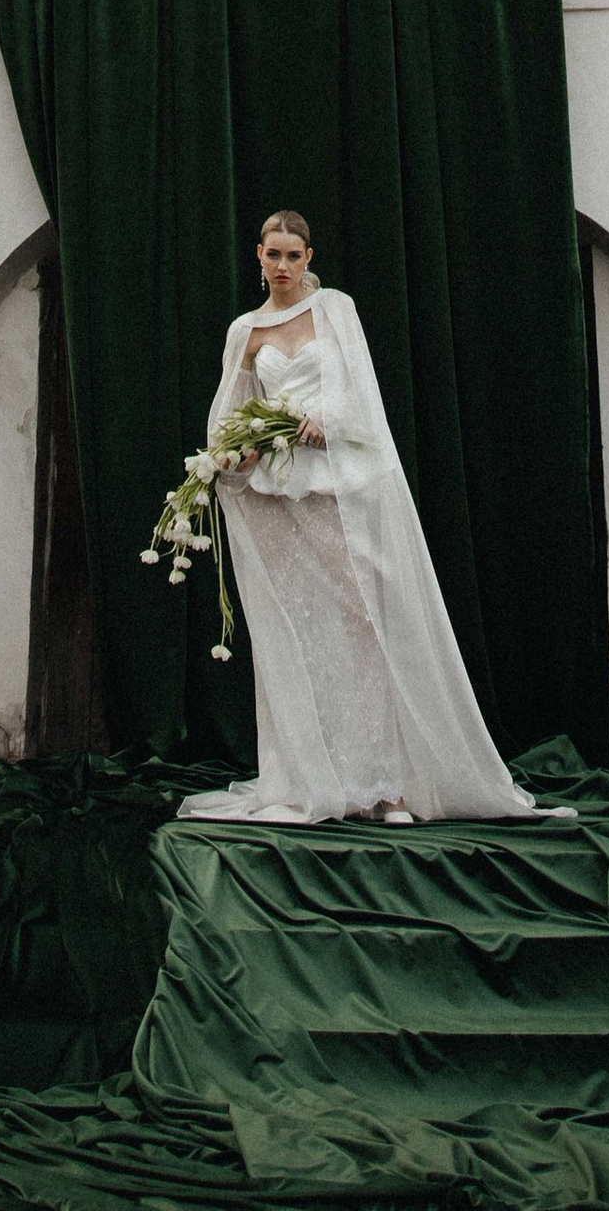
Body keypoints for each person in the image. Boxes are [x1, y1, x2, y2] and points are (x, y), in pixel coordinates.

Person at [177, 208, 547, 827]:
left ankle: (388, 787)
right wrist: (237, 449)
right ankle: (316, 776)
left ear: (309, 258)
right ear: (258, 256)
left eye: (295, 255)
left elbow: (360, 391)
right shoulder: (246, 330)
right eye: (275, 255)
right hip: (277, 492)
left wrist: (329, 425)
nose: (285, 267)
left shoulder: (335, 310)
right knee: (299, 632)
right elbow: (232, 410)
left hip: (336, 481)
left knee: (365, 626)